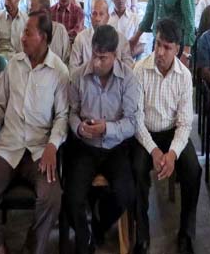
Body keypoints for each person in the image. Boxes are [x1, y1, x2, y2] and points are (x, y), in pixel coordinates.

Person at [0, 12, 69, 254]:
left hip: (39, 150)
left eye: (28, 32)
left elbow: (62, 117)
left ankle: (32, 247)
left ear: (43, 37)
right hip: (8, 145)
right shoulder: (14, 65)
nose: (22, 37)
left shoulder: (59, 72)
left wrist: (52, 146)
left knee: (51, 198)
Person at [65, 24, 140, 254]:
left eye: (103, 58)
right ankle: (84, 238)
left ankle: (100, 222)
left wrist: (106, 128)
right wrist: (79, 128)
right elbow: (72, 112)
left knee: (126, 194)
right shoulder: (78, 76)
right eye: (95, 56)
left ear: (115, 56)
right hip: (85, 146)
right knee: (71, 196)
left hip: (114, 146)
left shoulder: (128, 78)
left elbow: (132, 122)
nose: (97, 63)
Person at [132, 19, 201, 254]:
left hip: (172, 133)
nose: (160, 52)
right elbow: (136, 119)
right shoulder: (140, 70)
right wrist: (153, 150)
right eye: (158, 44)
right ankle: (141, 236)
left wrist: (171, 153)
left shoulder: (183, 76)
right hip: (146, 135)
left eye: (167, 47)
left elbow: (184, 123)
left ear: (178, 49)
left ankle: (186, 233)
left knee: (193, 170)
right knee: (136, 170)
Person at [70, 0, 134, 72]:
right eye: (94, 14)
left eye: (101, 14)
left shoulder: (121, 40)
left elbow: (129, 70)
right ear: (90, 17)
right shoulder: (81, 39)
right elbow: (73, 69)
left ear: (107, 17)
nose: (97, 19)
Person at [30, 0, 72, 64]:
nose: (30, 16)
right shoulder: (28, 32)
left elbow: (67, 61)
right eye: (29, 12)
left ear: (45, 12)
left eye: (33, 13)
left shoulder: (60, 31)